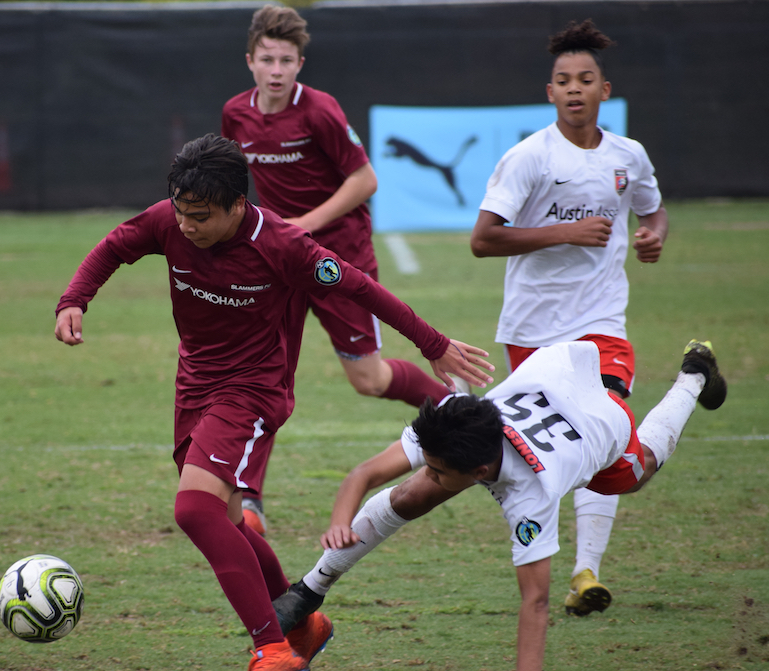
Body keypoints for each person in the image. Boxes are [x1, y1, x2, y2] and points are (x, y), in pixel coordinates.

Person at [54, 134, 494, 671]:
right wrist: (74, 299)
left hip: (253, 391)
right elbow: (113, 248)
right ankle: (305, 624)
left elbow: (360, 289)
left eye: (200, 216)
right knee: (231, 524)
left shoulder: (284, 245)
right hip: (193, 385)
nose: (186, 225)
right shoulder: (168, 221)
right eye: (180, 211)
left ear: (238, 205)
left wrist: (433, 343)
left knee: (194, 510)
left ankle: (272, 648)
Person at [272, 339, 727, 671]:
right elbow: (364, 474)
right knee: (412, 495)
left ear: (480, 476)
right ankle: (307, 591)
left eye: (438, 469)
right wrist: (337, 523)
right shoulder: (459, 416)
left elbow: (536, 600)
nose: (427, 471)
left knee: (638, 473)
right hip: (554, 366)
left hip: (602, 422)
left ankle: (693, 377)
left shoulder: (534, 494)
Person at [222, 5, 458, 534]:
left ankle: (454, 405)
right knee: (266, 377)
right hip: (280, 264)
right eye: (267, 60)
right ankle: (250, 501)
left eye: (286, 60)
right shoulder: (235, 113)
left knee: (369, 380)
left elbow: (365, 179)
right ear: (250, 62)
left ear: (300, 63)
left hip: (338, 261)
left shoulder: (320, 111)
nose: (276, 70)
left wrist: (303, 225)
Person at [469, 19, 670, 615]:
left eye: (586, 79)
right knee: (552, 455)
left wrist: (652, 236)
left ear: (605, 90)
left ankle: (587, 571)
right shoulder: (529, 157)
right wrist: (567, 232)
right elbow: (483, 240)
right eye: (564, 81)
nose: (575, 88)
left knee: (604, 429)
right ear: (550, 92)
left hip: (602, 322)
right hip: (532, 329)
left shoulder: (627, 156)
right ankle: (691, 384)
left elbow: (654, 212)